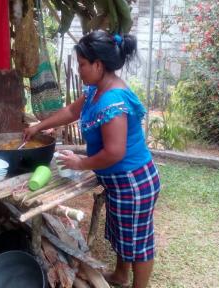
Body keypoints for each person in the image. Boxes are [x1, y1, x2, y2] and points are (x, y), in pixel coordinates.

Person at [23, 30, 160, 288]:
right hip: (121, 180)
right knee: (124, 232)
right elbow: (71, 111)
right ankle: (121, 275)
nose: (80, 69)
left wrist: (80, 163)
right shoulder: (96, 89)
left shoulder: (112, 99)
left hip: (133, 182)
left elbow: (115, 151)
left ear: (98, 64)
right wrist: (38, 127)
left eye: (82, 64)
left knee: (139, 242)